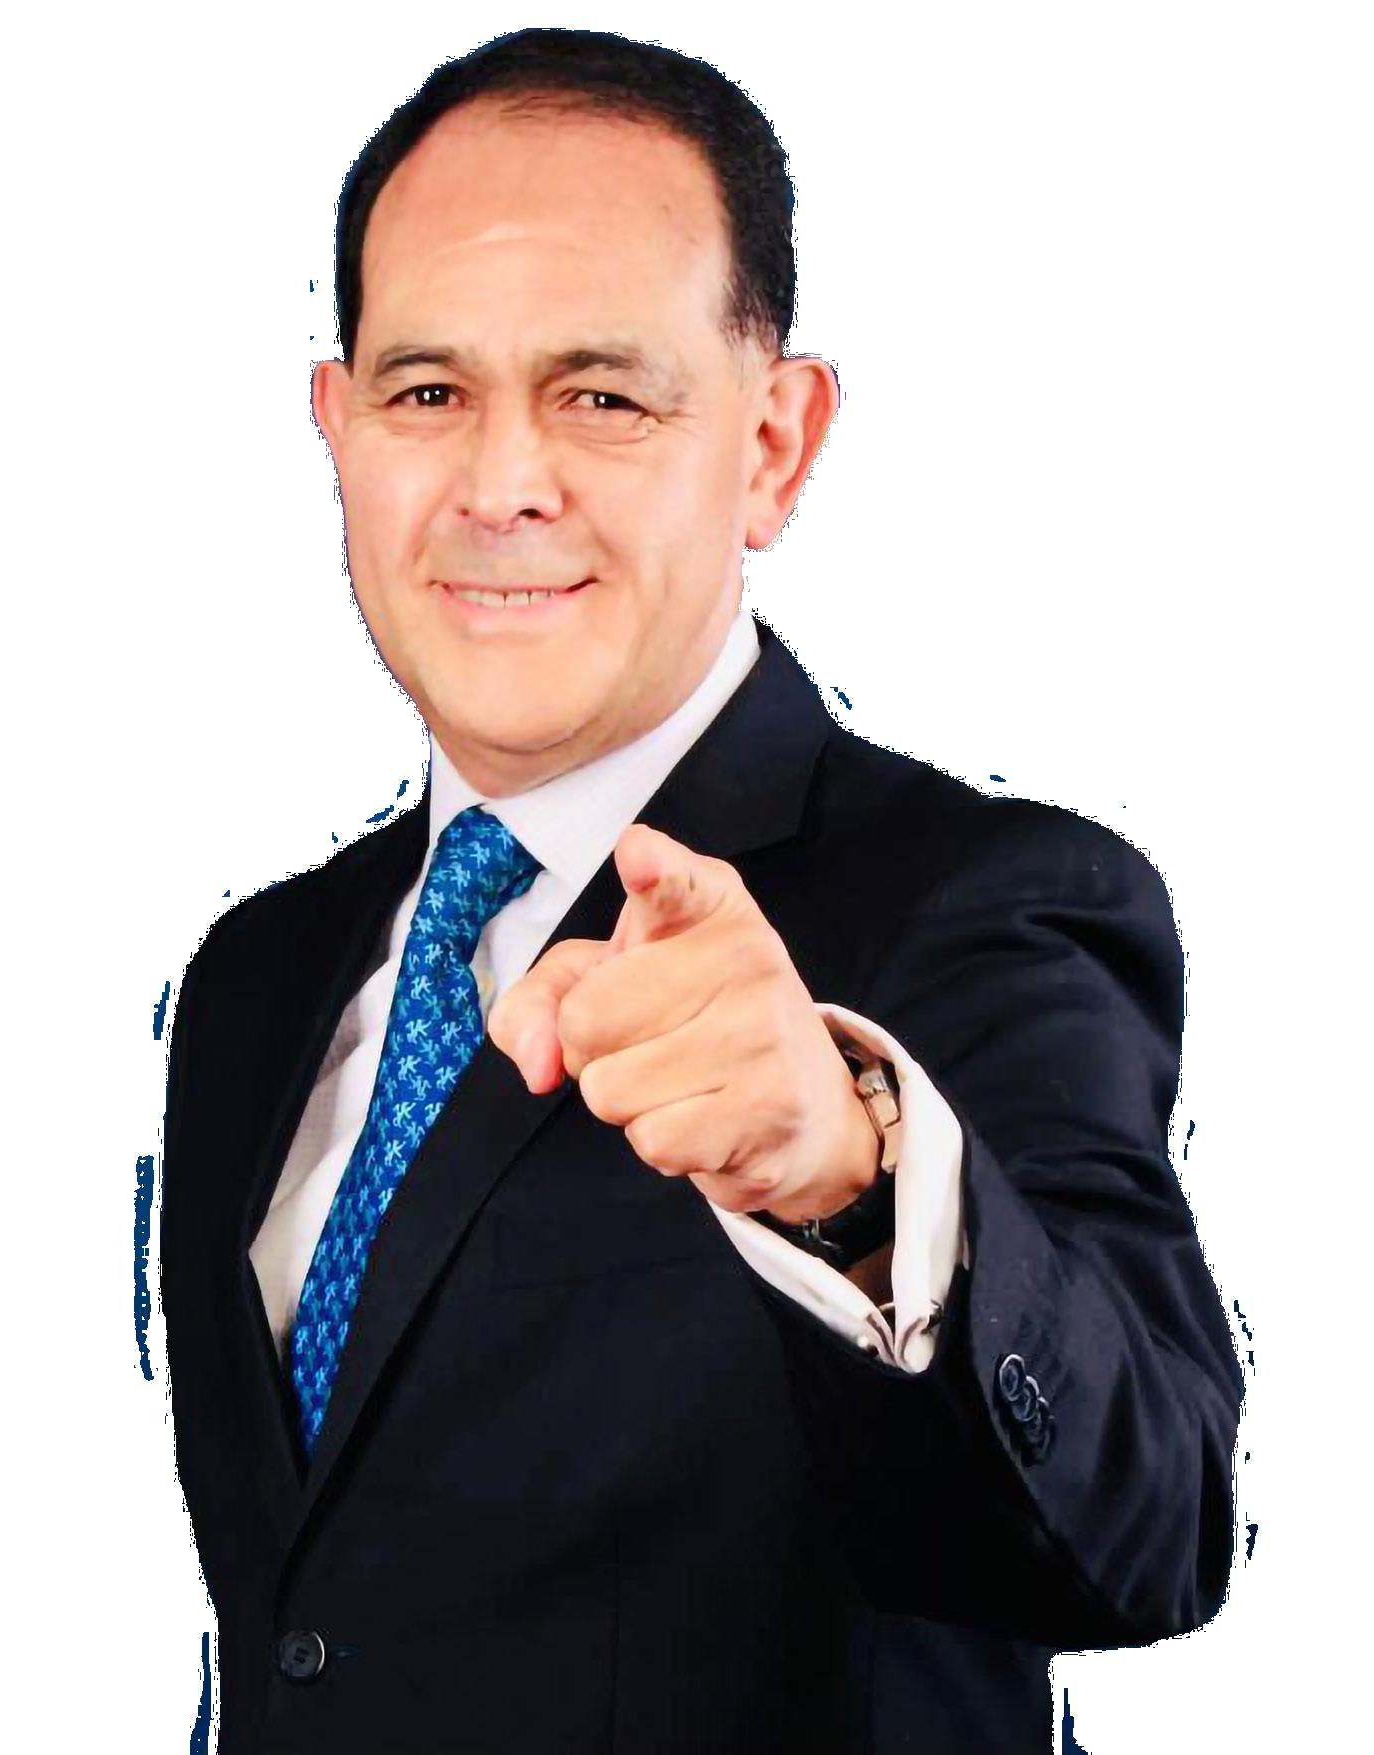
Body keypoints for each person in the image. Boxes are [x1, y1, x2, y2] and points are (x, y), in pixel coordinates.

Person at [160, 27, 1243, 1754]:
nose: (502, 485)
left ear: (774, 447)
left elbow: (1156, 1521)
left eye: (603, 396)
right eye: (427, 392)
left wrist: (853, 1179)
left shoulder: (988, 909)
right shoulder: (255, 976)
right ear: (337, 428)